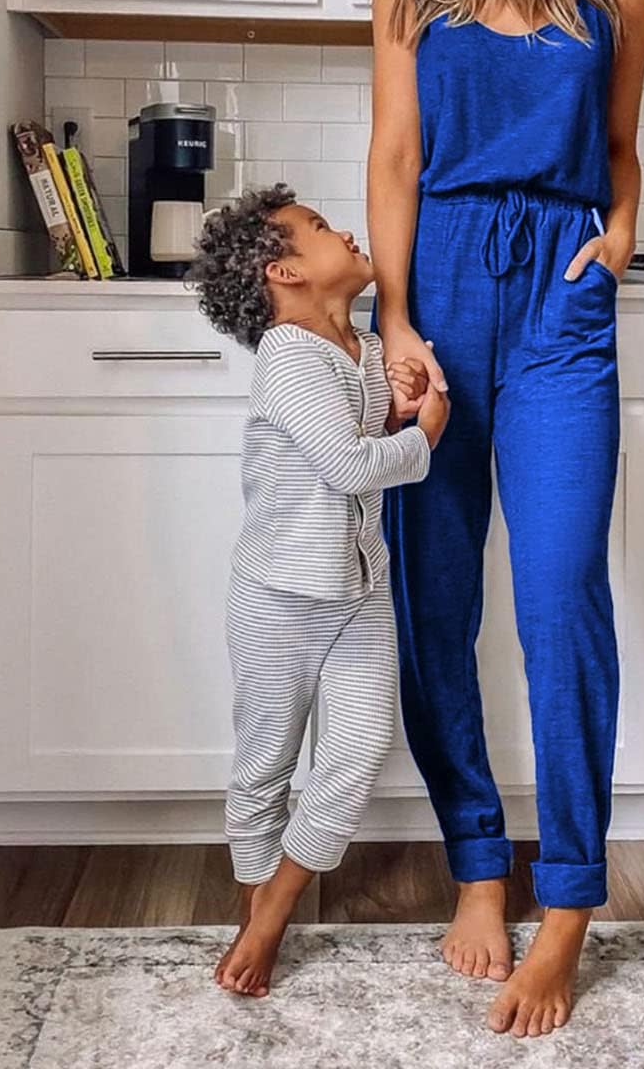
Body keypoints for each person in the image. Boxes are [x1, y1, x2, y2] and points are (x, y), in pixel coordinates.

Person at [368, 0, 644, 1038]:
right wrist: (396, 321)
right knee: (435, 596)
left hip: (558, 301)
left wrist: (620, 235)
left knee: (559, 597)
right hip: (440, 291)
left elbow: (620, 149)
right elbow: (393, 157)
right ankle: (478, 864)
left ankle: (570, 905)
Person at [191, 186, 450, 998]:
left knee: (359, 751)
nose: (343, 231)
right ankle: (257, 914)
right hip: (278, 598)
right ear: (286, 271)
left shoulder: (362, 348)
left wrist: (398, 407)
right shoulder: (289, 355)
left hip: (358, 588)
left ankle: (273, 910)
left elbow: (358, 440)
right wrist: (425, 434)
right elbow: (346, 466)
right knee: (265, 762)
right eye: (319, 228)